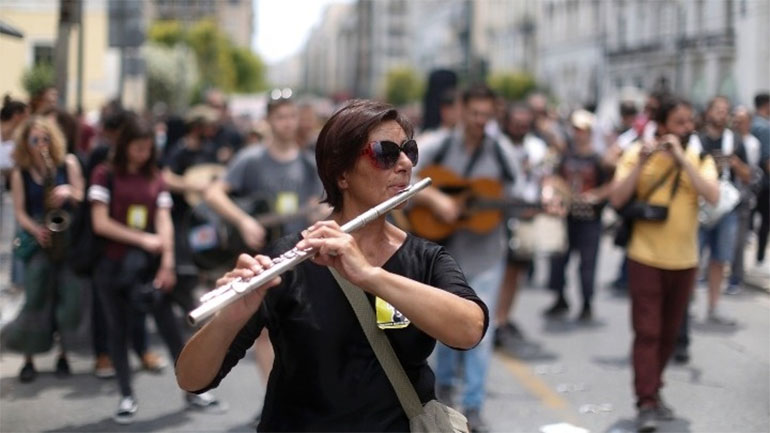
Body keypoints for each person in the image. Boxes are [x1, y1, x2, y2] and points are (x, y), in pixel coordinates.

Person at [176, 99, 489, 432]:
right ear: (341, 174)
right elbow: (191, 379)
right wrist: (231, 316)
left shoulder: (425, 258)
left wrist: (371, 276)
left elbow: (470, 330)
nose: (404, 164)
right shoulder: (289, 259)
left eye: (408, 151)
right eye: (385, 152)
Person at [89, 114, 225, 424]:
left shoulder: (156, 177)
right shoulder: (104, 173)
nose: (142, 153)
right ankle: (126, 394)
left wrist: (166, 261)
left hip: (151, 267)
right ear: (124, 145)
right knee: (118, 330)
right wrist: (143, 239)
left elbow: (163, 219)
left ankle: (193, 389)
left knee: (171, 329)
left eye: (147, 148)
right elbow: (100, 222)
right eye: (137, 147)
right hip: (112, 267)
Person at [203, 96, 327, 425]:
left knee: (305, 331)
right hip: (261, 261)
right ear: (270, 120)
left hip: (301, 259)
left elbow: (319, 204)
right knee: (264, 334)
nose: (287, 123)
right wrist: (243, 220)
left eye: (292, 116)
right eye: (281, 117)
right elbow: (214, 193)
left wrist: (319, 213)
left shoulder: (307, 163)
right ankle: (277, 398)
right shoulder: (251, 159)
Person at [411, 85, 518, 432]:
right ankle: (443, 392)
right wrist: (437, 202)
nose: (480, 122)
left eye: (487, 116)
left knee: (479, 332)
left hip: (487, 255)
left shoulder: (501, 150)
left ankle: (473, 406)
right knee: (445, 328)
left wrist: (536, 202)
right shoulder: (438, 145)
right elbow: (407, 181)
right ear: (460, 109)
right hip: (444, 255)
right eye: (474, 114)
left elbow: (519, 191)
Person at [609, 96, 719, 432]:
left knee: (669, 335)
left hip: (684, 260)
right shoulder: (636, 154)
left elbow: (712, 195)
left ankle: (654, 391)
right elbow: (616, 198)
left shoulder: (699, 157)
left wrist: (683, 159)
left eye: (689, 122)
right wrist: (643, 162)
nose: (686, 128)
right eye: (679, 122)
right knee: (648, 332)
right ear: (662, 125)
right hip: (645, 257)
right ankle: (645, 401)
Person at [7, 115, 84, 382]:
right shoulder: (20, 172)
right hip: (39, 238)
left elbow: (81, 193)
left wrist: (67, 192)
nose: (41, 144)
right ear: (25, 143)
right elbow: (19, 211)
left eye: (45, 138)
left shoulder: (68, 162)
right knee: (35, 298)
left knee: (68, 299)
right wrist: (35, 229)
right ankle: (28, 359)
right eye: (35, 140)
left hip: (65, 237)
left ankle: (63, 354)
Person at [543, 109, 611, 322]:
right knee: (558, 259)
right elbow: (553, 177)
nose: (578, 134)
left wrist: (596, 195)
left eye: (582, 130)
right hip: (566, 216)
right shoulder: (566, 156)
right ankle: (560, 297)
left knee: (587, 263)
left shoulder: (599, 158)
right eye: (575, 129)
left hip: (590, 218)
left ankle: (587, 303)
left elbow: (612, 184)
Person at [750, 92, 770, 266]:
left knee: (750, 220)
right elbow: (767, 159)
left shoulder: (750, 123)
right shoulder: (765, 127)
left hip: (749, 182)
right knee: (765, 221)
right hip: (764, 183)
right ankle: (760, 258)